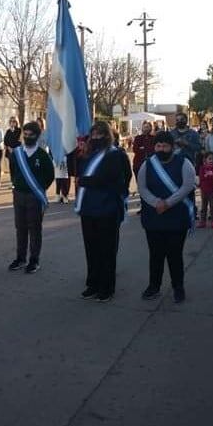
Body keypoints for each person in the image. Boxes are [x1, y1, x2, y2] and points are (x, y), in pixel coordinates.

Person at [76, 121, 132, 303]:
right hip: (88, 208)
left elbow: (119, 178)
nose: (96, 138)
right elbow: (78, 173)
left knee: (106, 250)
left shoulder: (116, 155)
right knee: (91, 248)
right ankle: (92, 283)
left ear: (108, 135)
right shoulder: (87, 154)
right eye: (94, 135)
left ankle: (107, 287)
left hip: (107, 208)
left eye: (100, 135)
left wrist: (87, 182)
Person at [138, 131, 195, 302]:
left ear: (172, 147)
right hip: (154, 217)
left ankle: (178, 287)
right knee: (155, 254)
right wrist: (156, 202)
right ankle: (154, 286)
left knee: (175, 255)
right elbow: (142, 188)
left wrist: (168, 203)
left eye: (165, 146)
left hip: (176, 217)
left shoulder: (184, 163)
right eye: (158, 145)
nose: (161, 149)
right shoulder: (147, 164)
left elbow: (187, 186)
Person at [8, 121, 55, 273]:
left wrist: (39, 189)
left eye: (31, 135)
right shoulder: (16, 153)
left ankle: (34, 260)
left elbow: (50, 176)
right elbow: (13, 171)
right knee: (20, 227)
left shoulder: (42, 155)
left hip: (35, 196)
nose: (27, 137)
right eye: (25, 134)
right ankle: (20, 258)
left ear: (37, 136)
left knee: (34, 228)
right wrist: (18, 184)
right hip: (19, 195)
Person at [197, 151, 213, 229]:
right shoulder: (202, 168)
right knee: (203, 207)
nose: (211, 160)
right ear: (205, 160)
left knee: (212, 207)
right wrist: (210, 175)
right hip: (204, 190)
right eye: (209, 159)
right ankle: (202, 222)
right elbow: (202, 178)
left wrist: (209, 175)